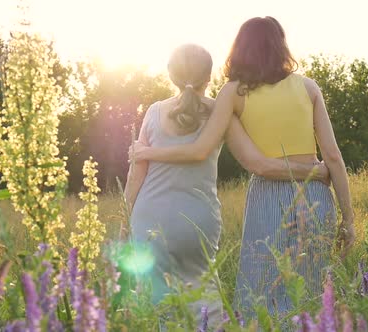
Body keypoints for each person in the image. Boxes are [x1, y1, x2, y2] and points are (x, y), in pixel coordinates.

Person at [131, 17, 355, 319]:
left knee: (259, 298)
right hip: (317, 196)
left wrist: (147, 152)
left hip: (268, 198)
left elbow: (221, 155)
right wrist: (348, 218)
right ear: (281, 46)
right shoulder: (308, 87)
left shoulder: (234, 92)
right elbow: (333, 157)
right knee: (310, 299)